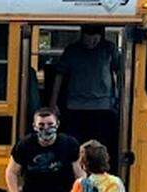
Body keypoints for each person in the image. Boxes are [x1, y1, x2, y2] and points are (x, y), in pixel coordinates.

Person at [51, 24, 121, 158]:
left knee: (101, 145)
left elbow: (120, 72)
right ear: (81, 36)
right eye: (87, 39)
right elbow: (59, 75)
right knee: (75, 145)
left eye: (95, 39)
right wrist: (53, 103)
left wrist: (121, 100)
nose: (91, 43)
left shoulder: (108, 49)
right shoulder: (72, 50)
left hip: (103, 106)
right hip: (75, 105)